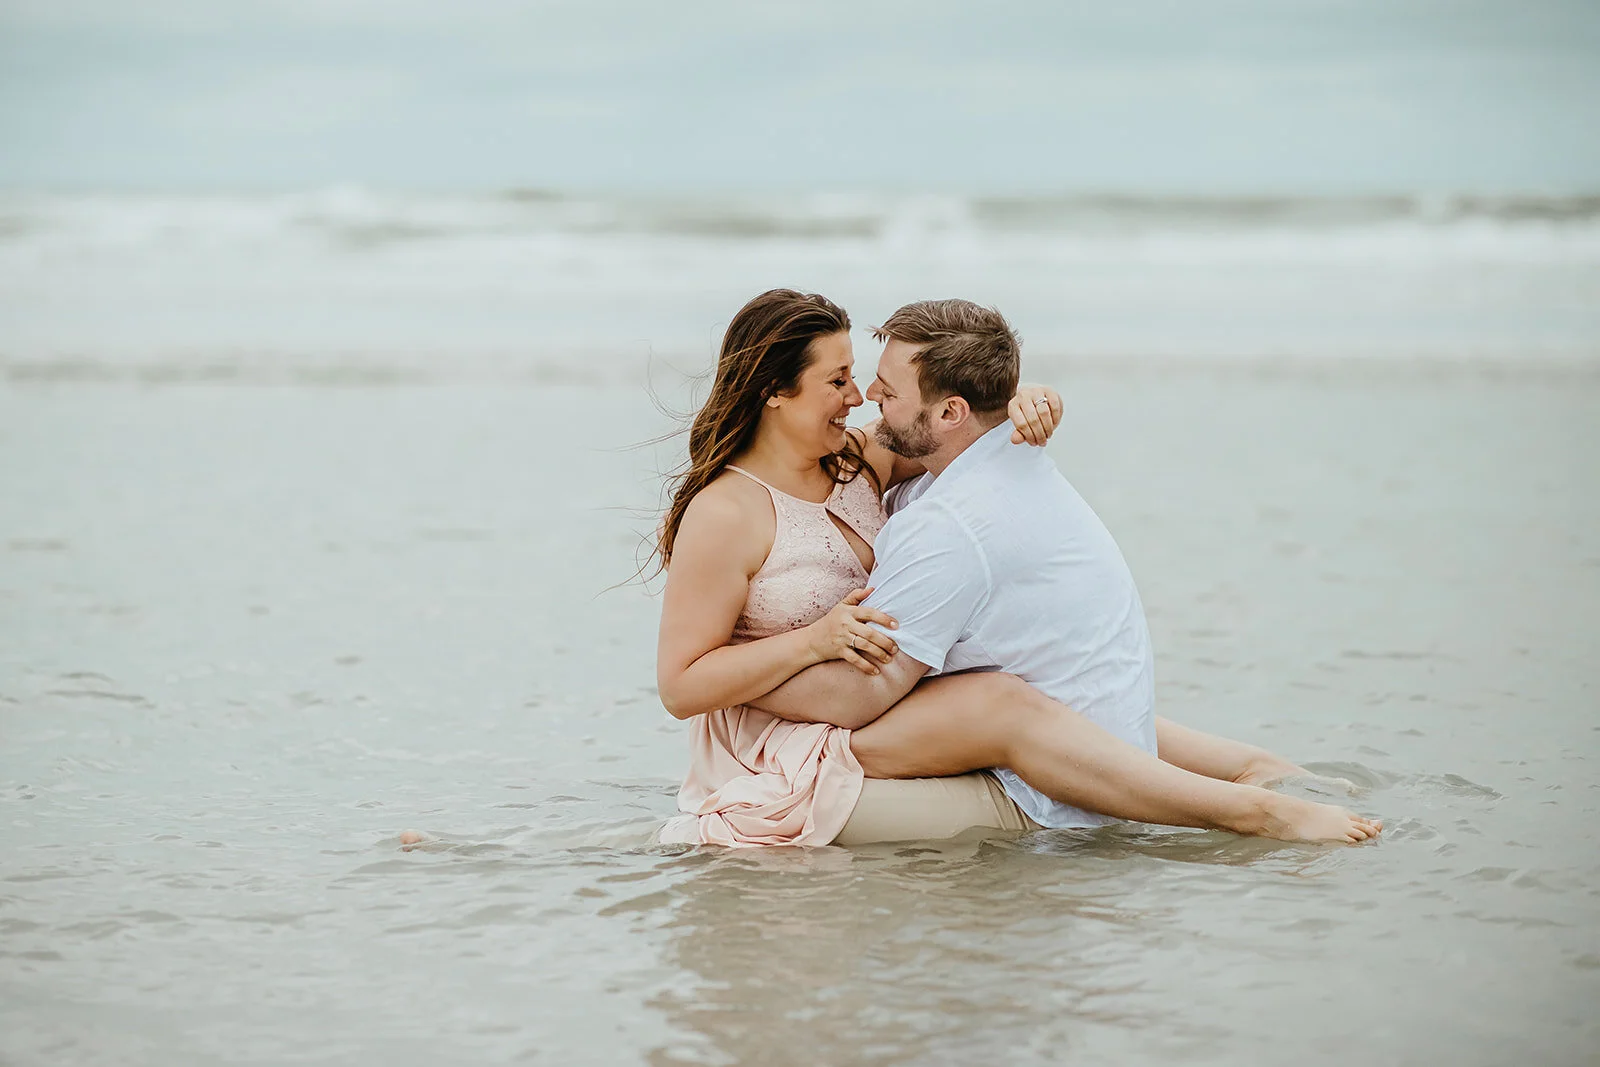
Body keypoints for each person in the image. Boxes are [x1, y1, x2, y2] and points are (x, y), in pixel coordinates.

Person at [654, 289, 1381, 848]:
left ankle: (1265, 771)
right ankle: (1249, 808)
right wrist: (809, 644)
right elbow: (681, 684)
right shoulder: (726, 514)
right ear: (774, 392)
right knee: (1005, 701)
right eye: (838, 381)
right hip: (784, 717)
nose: (859, 396)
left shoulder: (858, 458)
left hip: (870, 685)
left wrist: (1031, 400)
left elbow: (961, 431)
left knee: (1062, 694)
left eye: (860, 377)